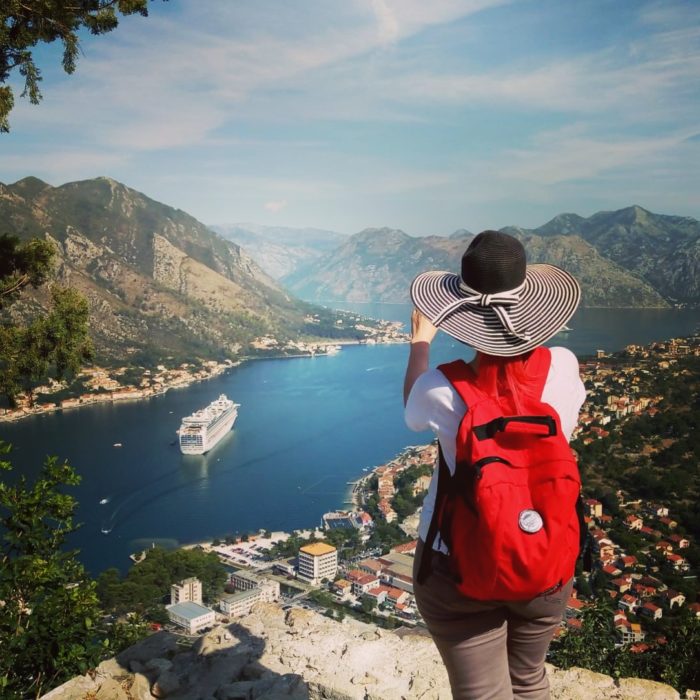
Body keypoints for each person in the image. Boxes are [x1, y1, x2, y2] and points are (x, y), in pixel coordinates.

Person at [404, 230, 586, 700]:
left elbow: (411, 408)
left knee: (481, 694)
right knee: (529, 681)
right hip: (544, 556)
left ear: (463, 315)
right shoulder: (564, 366)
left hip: (456, 565)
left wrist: (420, 342)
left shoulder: (440, 389)